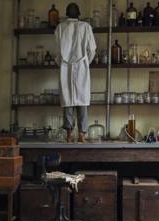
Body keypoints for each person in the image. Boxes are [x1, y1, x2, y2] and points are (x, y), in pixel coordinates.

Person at [55, 3, 97, 143]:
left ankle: (69, 134)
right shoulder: (86, 27)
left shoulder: (60, 28)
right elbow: (92, 50)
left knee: (68, 101)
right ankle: (82, 135)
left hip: (65, 67)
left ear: (67, 13)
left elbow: (57, 52)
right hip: (82, 67)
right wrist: (85, 62)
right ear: (78, 13)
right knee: (82, 101)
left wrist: (62, 63)